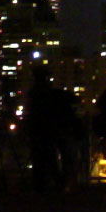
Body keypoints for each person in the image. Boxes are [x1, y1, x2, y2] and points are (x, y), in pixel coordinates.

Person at [25, 64, 79, 192]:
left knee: (41, 157)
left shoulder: (34, 94)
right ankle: (58, 183)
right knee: (54, 157)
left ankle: (42, 183)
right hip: (52, 129)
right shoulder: (53, 94)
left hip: (39, 129)